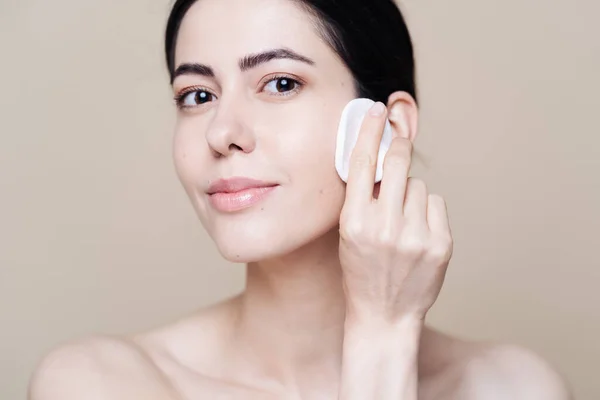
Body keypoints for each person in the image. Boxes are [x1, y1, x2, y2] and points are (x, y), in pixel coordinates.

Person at [28, 0, 572, 398]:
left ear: (388, 126)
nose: (223, 132)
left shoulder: (515, 388)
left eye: (280, 83)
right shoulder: (99, 383)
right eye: (197, 95)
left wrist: (383, 337)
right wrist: (380, 338)